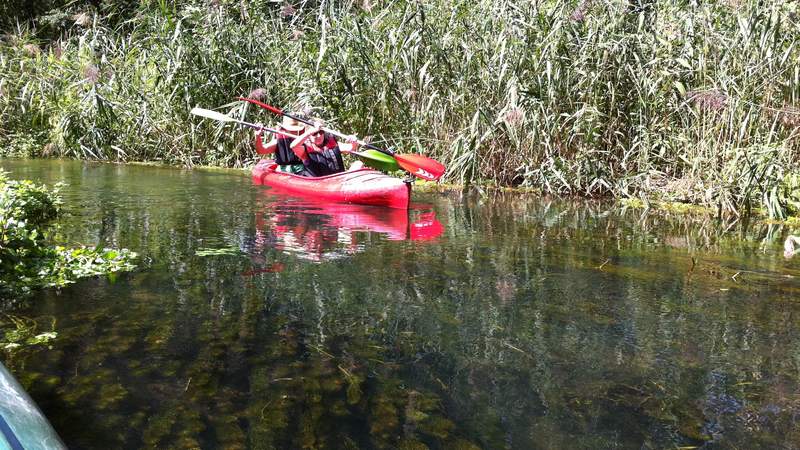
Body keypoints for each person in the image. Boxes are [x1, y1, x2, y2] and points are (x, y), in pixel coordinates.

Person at [290, 120, 361, 177]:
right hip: (319, 185)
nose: (319, 136)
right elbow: (293, 146)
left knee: (358, 164)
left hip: (339, 180)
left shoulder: (333, 143)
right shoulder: (304, 150)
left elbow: (351, 147)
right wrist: (309, 132)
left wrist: (354, 141)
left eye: (321, 132)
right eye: (314, 134)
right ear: (309, 135)